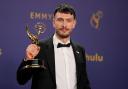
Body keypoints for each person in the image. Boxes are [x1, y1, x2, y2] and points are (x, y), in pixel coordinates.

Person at [17, 3, 91, 89]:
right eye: (60, 20)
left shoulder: (80, 50)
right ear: (53, 22)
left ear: (74, 23)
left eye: (68, 20)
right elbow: (21, 79)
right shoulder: (39, 48)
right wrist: (28, 59)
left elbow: (84, 83)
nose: (64, 25)